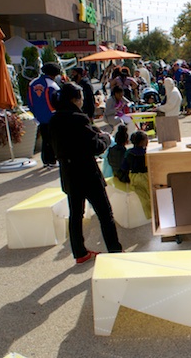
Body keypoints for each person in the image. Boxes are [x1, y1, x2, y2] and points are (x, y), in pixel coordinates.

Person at [49, 82, 123, 264]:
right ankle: (115, 251)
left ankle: (79, 252)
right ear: (75, 99)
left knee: (76, 215)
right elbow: (95, 147)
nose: (82, 101)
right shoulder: (78, 118)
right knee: (105, 214)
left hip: (68, 172)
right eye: (81, 98)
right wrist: (105, 137)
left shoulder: (54, 119)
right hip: (86, 173)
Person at [28, 62, 60, 168]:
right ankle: (52, 160)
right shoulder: (52, 85)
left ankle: (46, 161)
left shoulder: (32, 83)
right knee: (53, 139)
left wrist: (36, 113)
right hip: (52, 116)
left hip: (39, 117)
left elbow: (30, 101)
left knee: (45, 139)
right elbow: (56, 101)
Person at [121, 130, 151, 219]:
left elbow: (124, 167)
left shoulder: (129, 152)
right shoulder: (146, 153)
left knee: (143, 198)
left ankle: (149, 215)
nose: (148, 140)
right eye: (147, 139)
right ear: (142, 142)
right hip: (146, 176)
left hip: (134, 177)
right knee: (151, 195)